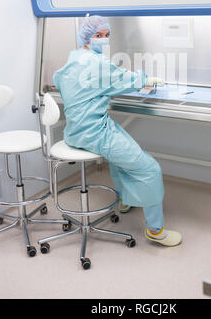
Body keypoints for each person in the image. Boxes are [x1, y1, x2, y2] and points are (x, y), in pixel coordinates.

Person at [53, 15, 182, 247]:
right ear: (86, 37)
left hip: (75, 132)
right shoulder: (96, 64)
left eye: (106, 35)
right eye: (98, 36)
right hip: (96, 133)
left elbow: (59, 79)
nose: (103, 40)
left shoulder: (74, 58)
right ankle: (155, 230)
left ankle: (124, 200)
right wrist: (147, 79)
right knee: (150, 168)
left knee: (120, 156)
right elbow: (121, 79)